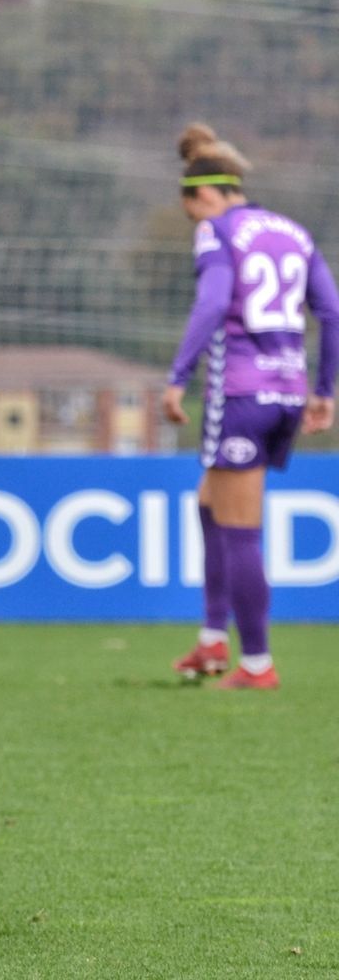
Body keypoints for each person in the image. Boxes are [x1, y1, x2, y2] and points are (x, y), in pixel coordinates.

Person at [164, 123, 337, 690]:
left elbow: (213, 303)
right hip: (287, 393)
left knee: (239, 528)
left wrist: (177, 376)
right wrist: (325, 390)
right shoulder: (294, 231)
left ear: (204, 195)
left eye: (193, 211)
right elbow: (331, 313)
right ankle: (214, 641)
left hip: (240, 392)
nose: (197, 221)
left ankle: (257, 664)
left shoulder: (218, 231)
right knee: (210, 501)